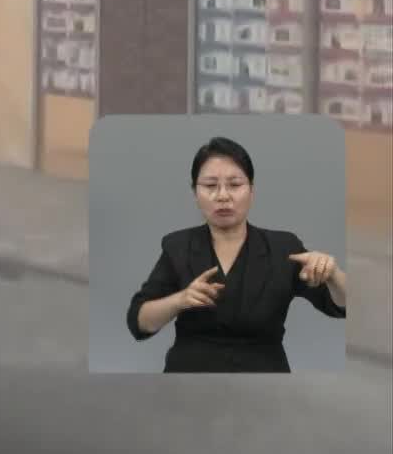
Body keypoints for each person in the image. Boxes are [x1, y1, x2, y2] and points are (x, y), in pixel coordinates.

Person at [126, 136, 348, 372]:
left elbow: (341, 306)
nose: (223, 196)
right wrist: (179, 300)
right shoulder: (178, 246)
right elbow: (139, 321)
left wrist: (333, 273)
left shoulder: (283, 248)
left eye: (234, 185)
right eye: (210, 186)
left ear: (251, 190)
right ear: (195, 192)